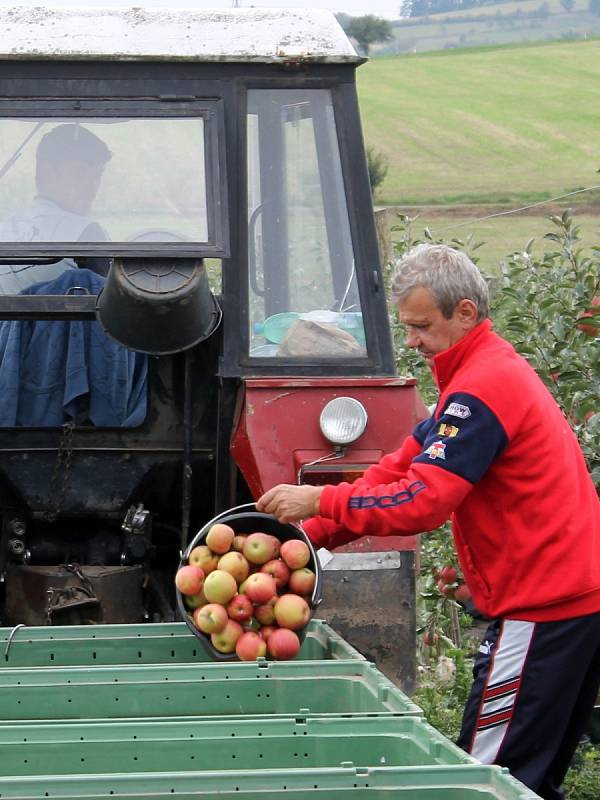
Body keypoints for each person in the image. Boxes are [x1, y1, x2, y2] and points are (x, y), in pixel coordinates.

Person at [257, 243, 600, 800]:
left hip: (543, 605)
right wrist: (300, 538)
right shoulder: (474, 377)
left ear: (464, 312)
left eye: (421, 326)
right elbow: (396, 472)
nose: (412, 341)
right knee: (528, 783)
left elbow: (422, 502)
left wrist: (317, 504)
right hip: (568, 598)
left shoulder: (483, 388)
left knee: (487, 784)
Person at [0, 122, 112, 293]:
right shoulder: (84, 231)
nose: (92, 185)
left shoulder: (5, 227)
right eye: (79, 173)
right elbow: (109, 304)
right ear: (47, 173)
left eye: (98, 174)